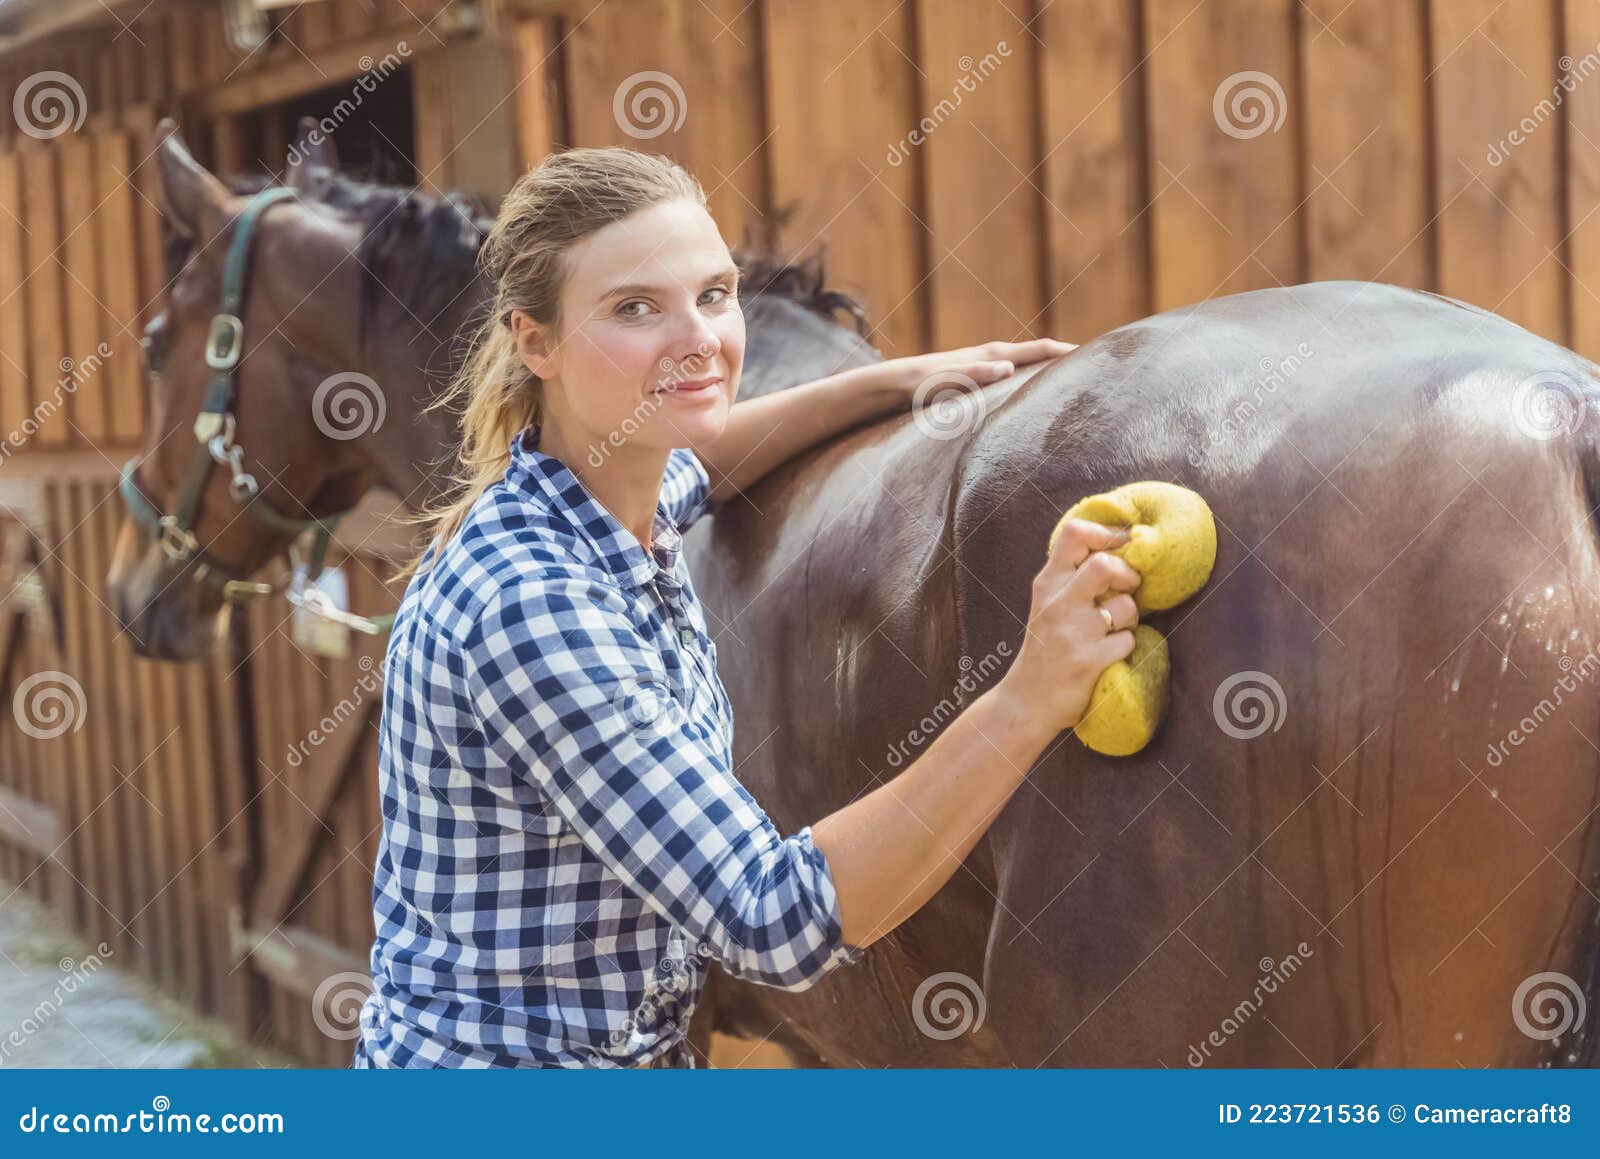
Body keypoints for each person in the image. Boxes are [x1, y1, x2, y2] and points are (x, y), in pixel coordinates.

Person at [352, 146, 1141, 1068]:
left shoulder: (602, 492)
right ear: (535, 341)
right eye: (635, 308)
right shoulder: (531, 605)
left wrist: (903, 380)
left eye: (715, 294)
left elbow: (707, 464)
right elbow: (773, 916)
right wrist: (1029, 695)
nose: (699, 338)